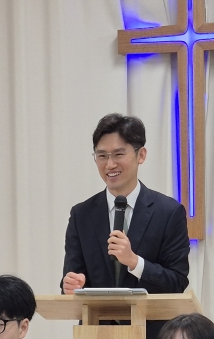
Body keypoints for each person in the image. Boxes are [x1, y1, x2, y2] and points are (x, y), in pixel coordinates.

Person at [61, 113, 190, 295]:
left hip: (149, 315)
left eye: (118, 154)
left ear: (141, 155)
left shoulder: (169, 212)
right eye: (102, 155)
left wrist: (134, 262)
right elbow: (72, 279)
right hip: (97, 315)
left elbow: (177, 282)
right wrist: (71, 285)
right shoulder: (81, 215)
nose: (110, 164)